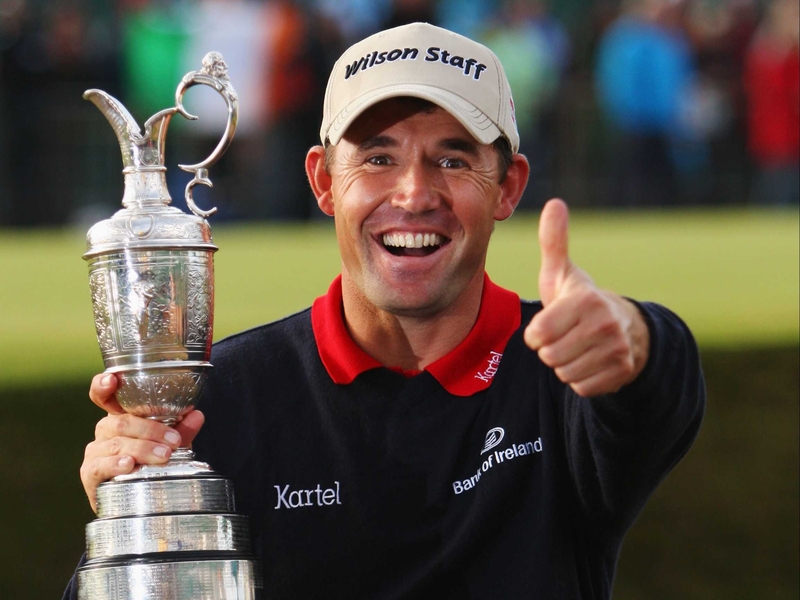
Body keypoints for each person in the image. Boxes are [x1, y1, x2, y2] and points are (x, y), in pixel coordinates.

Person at [64, 22, 705, 599]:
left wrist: (634, 338)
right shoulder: (221, 401)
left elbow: (660, 386)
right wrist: (135, 525)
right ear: (323, 181)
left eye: (452, 159)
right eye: (377, 158)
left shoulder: (562, 374)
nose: (415, 193)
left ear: (507, 186)